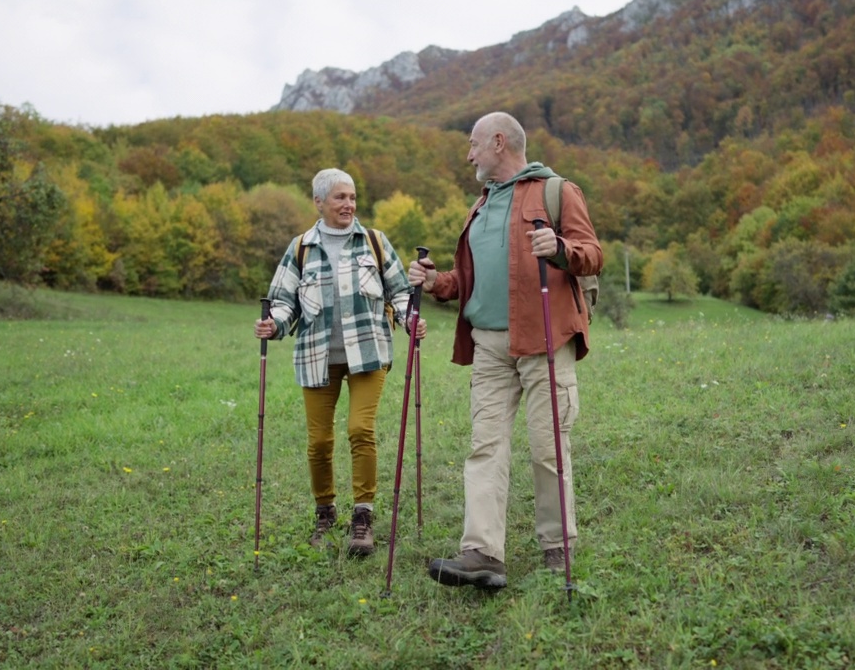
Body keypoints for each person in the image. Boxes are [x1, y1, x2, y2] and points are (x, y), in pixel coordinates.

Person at [408, 112, 602, 589]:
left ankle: (558, 548)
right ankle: (481, 553)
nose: (469, 154)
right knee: (485, 446)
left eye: (474, 145)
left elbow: (591, 253)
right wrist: (436, 282)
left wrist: (557, 246)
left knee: (547, 447)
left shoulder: (557, 191)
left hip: (544, 340)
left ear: (499, 142)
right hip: (489, 344)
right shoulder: (481, 205)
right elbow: (469, 281)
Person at [254, 168, 426, 557]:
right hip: (318, 358)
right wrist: (273, 324)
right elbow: (283, 302)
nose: (348, 204)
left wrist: (410, 318)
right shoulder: (300, 248)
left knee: (360, 429)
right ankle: (325, 512)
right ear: (319, 202)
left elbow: (401, 293)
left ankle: (363, 516)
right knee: (318, 442)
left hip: (368, 354)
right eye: (340, 198)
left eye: (352, 197)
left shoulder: (374, 243)